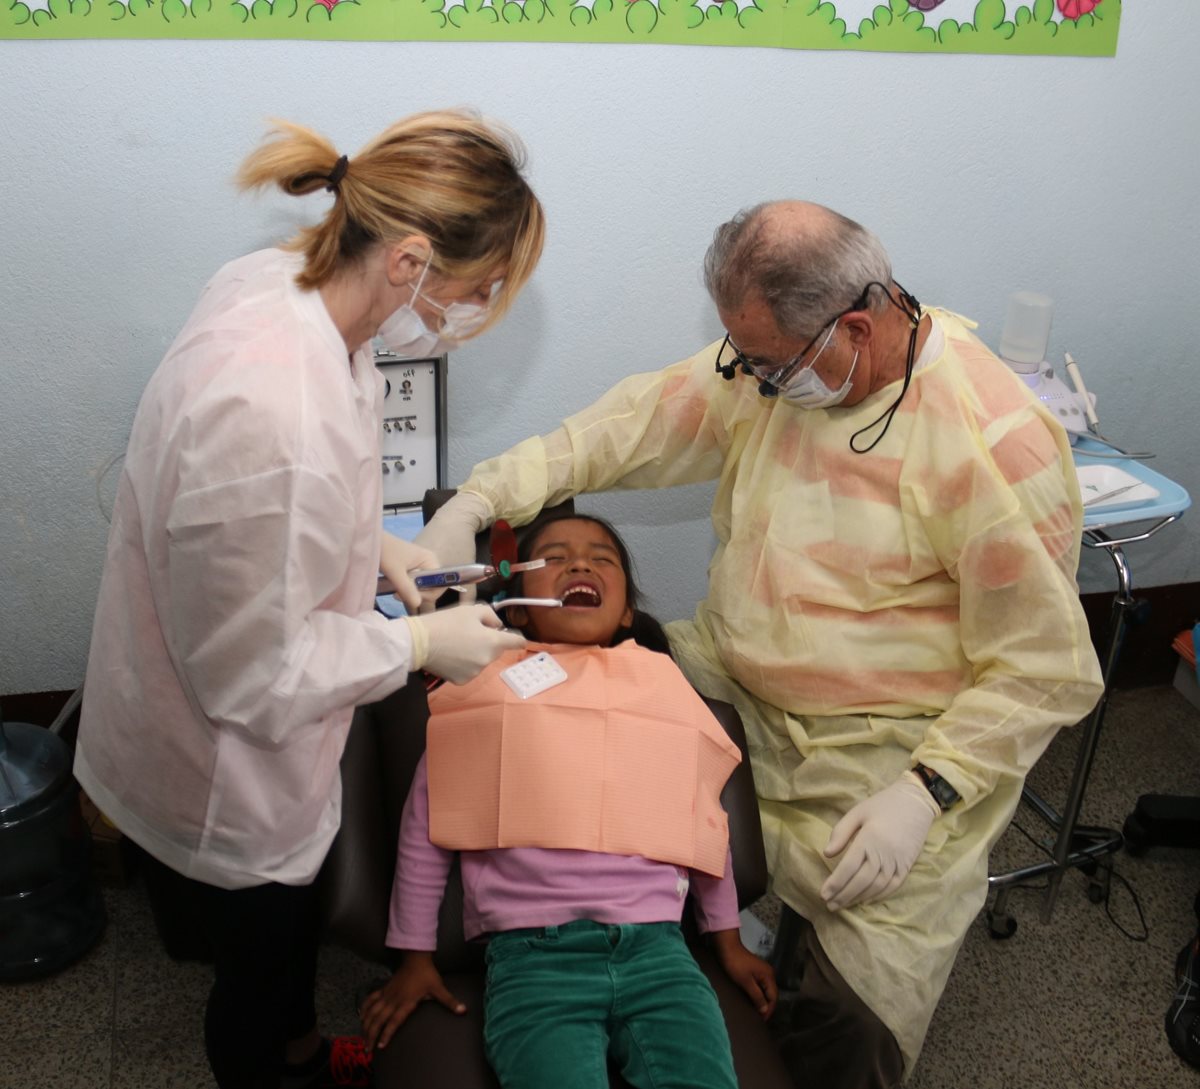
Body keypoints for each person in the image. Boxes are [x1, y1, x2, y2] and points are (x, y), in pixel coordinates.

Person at [414, 201, 1106, 1087]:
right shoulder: (768, 364)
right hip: (736, 675)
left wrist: (927, 791)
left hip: (892, 748)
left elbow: (1043, 668)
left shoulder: (994, 443)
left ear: (858, 325)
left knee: (850, 1024)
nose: (754, 383)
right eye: (744, 360)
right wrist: (476, 501)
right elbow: (618, 432)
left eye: (773, 367)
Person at [74, 110, 545, 1089]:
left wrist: (372, 544)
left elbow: (286, 503)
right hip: (220, 768)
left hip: (232, 693)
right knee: (255, 969)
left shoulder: (295, 292)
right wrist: (421, 647)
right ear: (412, 259)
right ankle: (272, 1066)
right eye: (480, 287)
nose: (480, 307)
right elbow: (253, 679)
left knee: (282, 952)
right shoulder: (267, 408)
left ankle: (294, 1042)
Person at [360, 512, 778, 1089]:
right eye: (554, 557)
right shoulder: (485, 687)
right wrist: (414, 955)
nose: (580, 563)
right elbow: (427, 824)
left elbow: (703, 820)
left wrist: (726, 939)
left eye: (601, 558)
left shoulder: (661, 687)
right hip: (534, 958)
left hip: (660, 955)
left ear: (627, 610)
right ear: (520, 605)